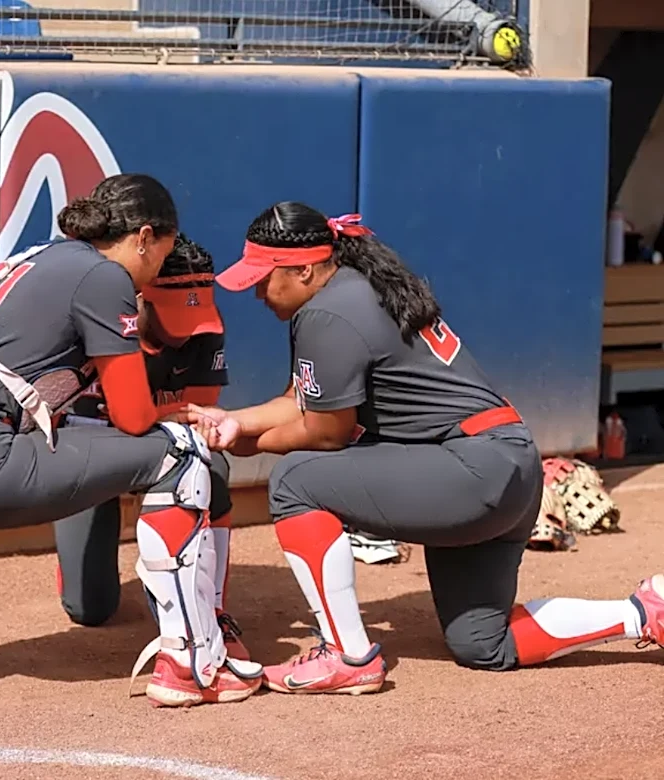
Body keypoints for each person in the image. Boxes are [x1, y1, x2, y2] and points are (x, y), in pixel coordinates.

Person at [186, 200, 664, 695]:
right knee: (483, 644)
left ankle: (347, 656)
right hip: (505, 465)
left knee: (294, 480)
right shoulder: (352, 288)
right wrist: (236, 422)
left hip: (469, 470)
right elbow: (303, 401)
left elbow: (325, 432)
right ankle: (642, 612)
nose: (258, 291)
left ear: (305, 269)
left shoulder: (327, 311)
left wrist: (246, 442)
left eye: (265, 277)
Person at [0, 174, 261, 708]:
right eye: (165, 249)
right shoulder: (103, 275)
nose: (159, 264)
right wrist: (181, 412)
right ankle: (193, 663)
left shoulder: (35, 257)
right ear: (145, 236)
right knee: (179, 453)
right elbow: (134, 419)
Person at [53, 232, 249, 661]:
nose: (186, 334)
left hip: (160, 447)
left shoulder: (203, 332)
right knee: (90, 609)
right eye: (172, 317)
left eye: (195, 318)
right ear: (139, 300)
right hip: (93, 450)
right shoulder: (96, 328)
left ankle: (210, 610)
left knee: (210, 469)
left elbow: (198, 420)